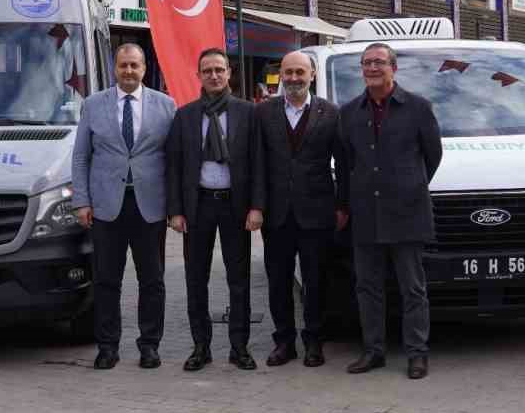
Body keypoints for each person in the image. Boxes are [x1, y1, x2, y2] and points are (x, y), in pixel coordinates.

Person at [336, 42, 441, 379]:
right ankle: (374, 351)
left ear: (393, 67)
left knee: (412, 288)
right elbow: (345, 162)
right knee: (368, 287)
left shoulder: (418, 108)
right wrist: (344, 205)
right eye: (366, 63)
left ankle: (417, 353)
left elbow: (432, 157)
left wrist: (408, 185)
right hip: (365, 212)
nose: (372, 68)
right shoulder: (350, 112)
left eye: (379, 62)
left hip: (407, 212)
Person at [71, 43, 176, 370]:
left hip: (150, 207)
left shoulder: (166, 105)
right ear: (114, 68)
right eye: (123, 66)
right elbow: (80, 157)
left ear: (145, 69)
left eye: (135, 65)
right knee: (106, 280)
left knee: (152, 280)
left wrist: (175, 207)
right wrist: (81, 201)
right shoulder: (93, 104)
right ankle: (107, 346)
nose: (129, 71)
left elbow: (174, 160)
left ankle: (149, 345)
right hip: (105, 207)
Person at [166, 48, 264, 372]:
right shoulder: (185, 115)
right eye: (207, 70)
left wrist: (256, 207)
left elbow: (258, 165)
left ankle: (239, 347)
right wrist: (176, 211)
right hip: (198, 206)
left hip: (235, 206)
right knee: (196, 279)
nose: (214, 75)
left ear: (229, 73)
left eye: (219, 69)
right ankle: (200, 346)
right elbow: (175, 166)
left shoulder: (248, 113)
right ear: (199, 75)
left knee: (239, 279)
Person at [253, 50, 343, 368]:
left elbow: (343, 164)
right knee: (278, 281)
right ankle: (284, 342)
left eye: (299, 72)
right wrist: (257, 207)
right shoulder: (263, 113)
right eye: (288, 72)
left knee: (316, 281)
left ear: (312, 75)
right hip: (276, 215)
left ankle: (314, 341)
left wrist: (341, 205)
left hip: (317, 212)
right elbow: (257, 165)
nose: (293, 78)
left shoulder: (330, 113)